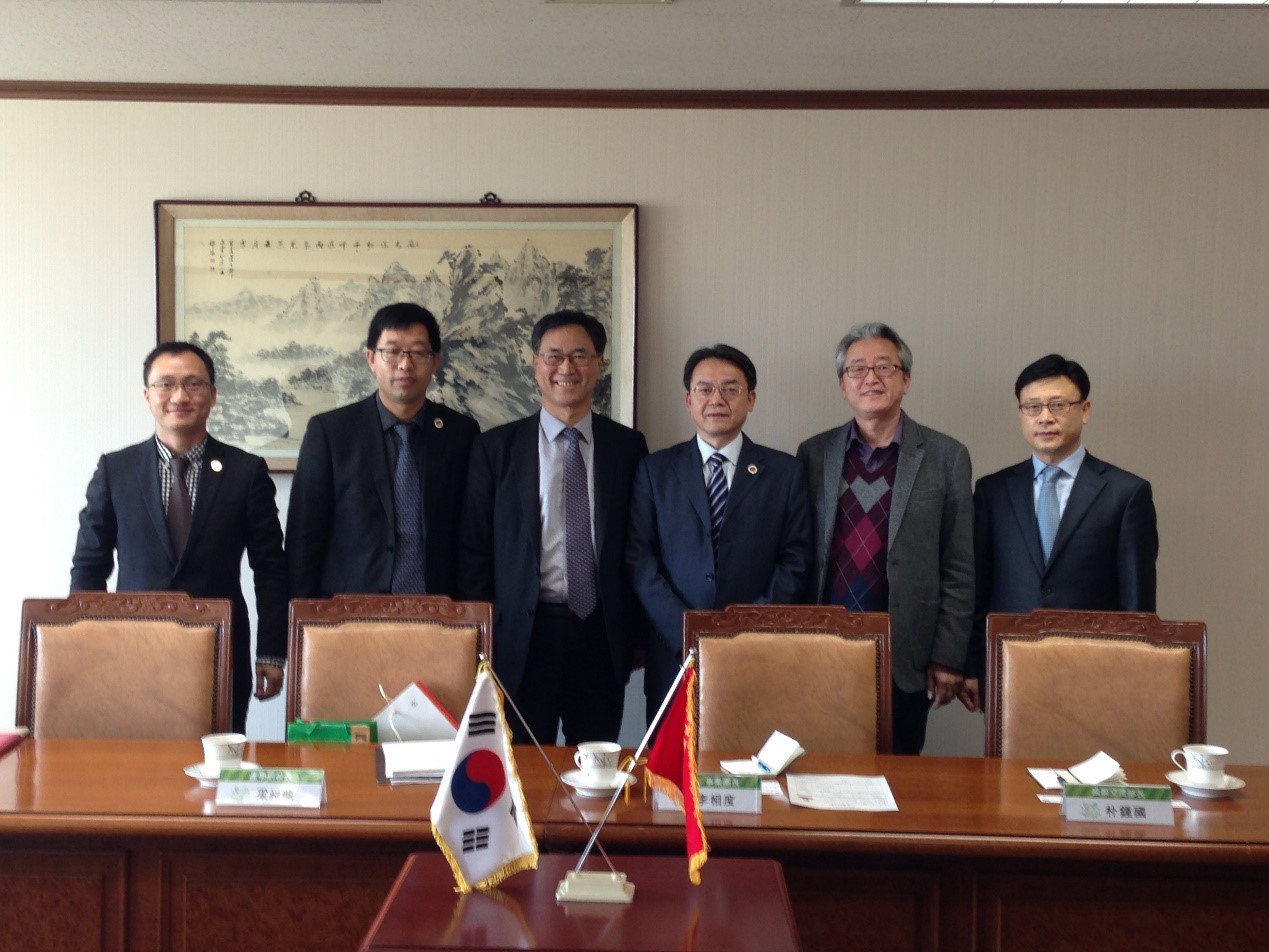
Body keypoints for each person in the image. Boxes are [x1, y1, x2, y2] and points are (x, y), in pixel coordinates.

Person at [71, 341, 288, 732]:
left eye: (193, 384)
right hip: (131, 648)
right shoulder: (116, 470)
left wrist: (271, 652)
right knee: (132, 759)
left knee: (218, 759)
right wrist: (90, 646)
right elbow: (89, 566)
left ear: (213, 394)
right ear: (147, 395)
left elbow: (271, 569)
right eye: (166, 384)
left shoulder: (245, 472)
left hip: (221, 650)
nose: (179, 396)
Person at [459, 310, 648, 745]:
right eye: (554, 356)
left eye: (580, 356)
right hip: (521, 638)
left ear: (598, 365)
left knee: (596, 764)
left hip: (600, 636)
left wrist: (637, 636)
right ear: (535, 364)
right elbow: (474, 551)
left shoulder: (627, 447)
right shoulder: (496, 448)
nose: (567, 367)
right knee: (523, 765)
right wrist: (479, 635)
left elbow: (638, 546)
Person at [797, 323, 973, 755]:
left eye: (884, 367)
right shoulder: (813, 454)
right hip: (826, 647)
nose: (870, 378)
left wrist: (949, 655)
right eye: (857, 369)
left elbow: (959, 564)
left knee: (898, 776)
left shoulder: (946, 456)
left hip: (906, 653)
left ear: (906, 379)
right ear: (843, 386)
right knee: (820, 773)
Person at [959, 354, 1158, 711]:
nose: (1045, 417)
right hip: (1008, 669)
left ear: (1085, 410)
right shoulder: (992, 491)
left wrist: (1131, 673)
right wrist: (972, 665)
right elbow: (978, 586)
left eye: (1058, 405)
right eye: (1032, 407)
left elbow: (1137, 601)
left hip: (1096, 673)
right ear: (1021, 414)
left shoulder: (1126, 493)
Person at [628, 344, 813, 726]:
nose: (717, 399)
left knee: (751, 756)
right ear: (688, 400)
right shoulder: (655, 470)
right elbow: (639, 558)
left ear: (751, 399)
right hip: (674, 653)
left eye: (730, 389)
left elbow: (796, 558)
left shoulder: (785, 472)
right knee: (673, 760)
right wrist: (684, 628)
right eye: (705, 389)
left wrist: (748, 625)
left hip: (756, 651)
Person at [287, 303, 479, 599]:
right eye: (392, 352)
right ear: (371, 359)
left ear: (435, 361)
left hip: (439, 611)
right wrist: (302, 616)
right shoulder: (330, 433)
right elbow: (304, 538)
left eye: (418, 352)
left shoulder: (461, 434)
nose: (405, 365)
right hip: (350, 612)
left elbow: (474, 536)